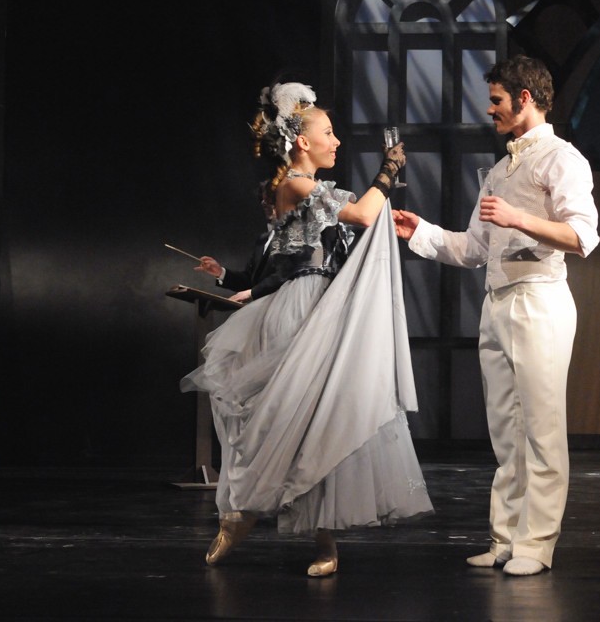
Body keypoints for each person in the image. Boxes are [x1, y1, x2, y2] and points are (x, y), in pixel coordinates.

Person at [181, 82, 433, 577]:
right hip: (302, 307)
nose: (336, 141)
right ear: (301, 141)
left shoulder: (317, 190)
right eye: (329, 132)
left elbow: (351, 227)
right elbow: (362, 214)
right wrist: (388, 170)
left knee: (323, 420)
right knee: (286, 416)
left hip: (327, 305)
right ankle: (242, 512)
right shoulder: (296, 186)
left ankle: (323, 537)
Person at [392, 55, 599, 576]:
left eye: (497, 100)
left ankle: (537, 543)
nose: (490, 110)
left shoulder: (562, 158)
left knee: (542, 429)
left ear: (525, 98)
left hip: (540, 299)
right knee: (506, 430)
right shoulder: (502, 170)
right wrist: (420, 231)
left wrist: (518, 217)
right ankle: (505, 538)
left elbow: (582, 236)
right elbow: (473, 248)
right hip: (498, 301)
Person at [193, 181, 281, 302]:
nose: (263, 202)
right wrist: (220, 272)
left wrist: (252, 292)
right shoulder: (262, 240)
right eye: (263, 198)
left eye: (269, 198)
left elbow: (287, 275)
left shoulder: (295, 236)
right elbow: (249, 281)